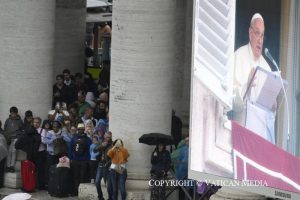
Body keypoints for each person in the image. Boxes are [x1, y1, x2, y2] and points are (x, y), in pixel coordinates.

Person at [233, 13, 276, 144]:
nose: (260, 40)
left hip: (260, 136)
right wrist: (247, 84)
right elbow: (232, 101)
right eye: (257, 33)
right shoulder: (238, 56)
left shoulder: (267, 67)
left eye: (262, 35)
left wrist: (273, 107)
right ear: (250, 33)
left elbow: (268, 110)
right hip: (242, 132)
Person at [69, 123, 92, 196]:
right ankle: (79, 192)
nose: (81, 130)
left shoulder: (74, 138)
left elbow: (70, 149)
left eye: (81, 129)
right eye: (80, 129)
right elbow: (89, 150)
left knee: (78, 177)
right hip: (82, 161)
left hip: (77, 160)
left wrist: (71, 158)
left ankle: (77, 192)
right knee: (80, 177)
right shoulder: (87, 139)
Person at [3, 106, 24, 172]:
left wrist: (18, 137)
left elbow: (22, 130)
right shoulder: (7, 120)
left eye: (14, 113)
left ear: (16, 113)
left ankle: (12, 166)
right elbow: (5, 129)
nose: (13, 114)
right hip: (8, 139)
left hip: (16, 138)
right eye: (12, 113)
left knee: (14, 152)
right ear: (10, 113)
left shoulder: (20, 121)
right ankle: (8, 166)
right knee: (8, 152)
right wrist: (6, 137)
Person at [94, 131, 113, 200]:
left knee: (109, 185)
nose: (107, 138)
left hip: (108, 166)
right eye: (106, 137)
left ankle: (110, 198)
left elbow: (114, 157)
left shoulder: (112, 144)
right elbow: (94, 150)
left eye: (109, 137)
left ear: (111, 137)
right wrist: (102, 145)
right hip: (100, 165)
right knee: (97, 182)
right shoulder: (101, 142)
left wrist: (109, 163)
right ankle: (100, 197)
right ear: (104, 136)